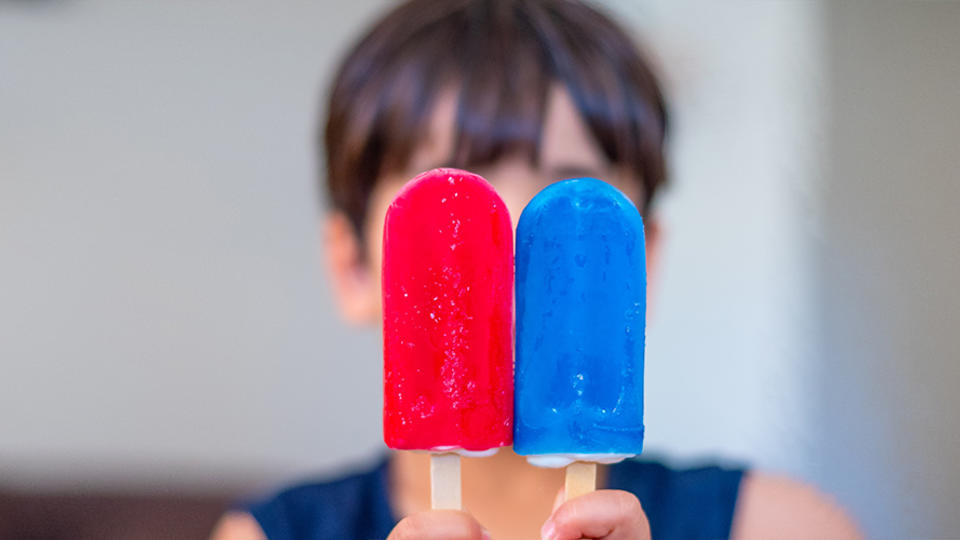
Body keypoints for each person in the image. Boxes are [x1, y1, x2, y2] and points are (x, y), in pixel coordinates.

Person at [211, 1, 859, 538]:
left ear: (639, 266)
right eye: (455, 203)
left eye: (567, 204)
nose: (513, 242)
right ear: (356, 269)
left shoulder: (781, 526)